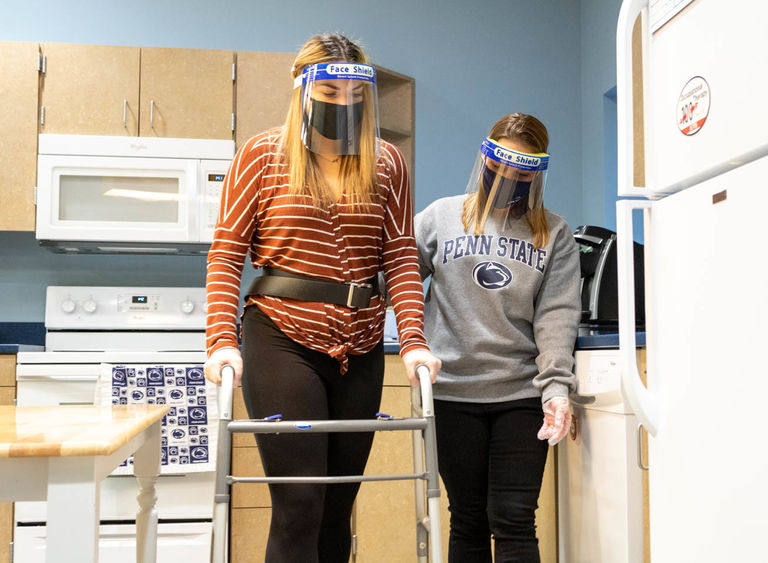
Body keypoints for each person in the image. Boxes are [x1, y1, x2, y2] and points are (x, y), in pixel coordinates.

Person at [203, 33, 441, 563]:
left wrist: (414, 341)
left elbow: (400, 255)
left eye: (355, 94)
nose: (343, 103)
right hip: (281, 335)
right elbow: (226, 253)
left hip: (360, 344)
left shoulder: (386, 163)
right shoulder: (262, 156)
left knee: (338, 507)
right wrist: (220, 340)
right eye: (329, 91)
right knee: (300, 505)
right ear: (302, 90)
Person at [415, 113, 579, 562]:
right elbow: (400, 280)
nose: (508, 180)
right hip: (452, 393)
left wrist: (557, 389)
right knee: (467, 517)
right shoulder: (440, 218)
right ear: (484, 161)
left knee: (514, 519)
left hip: (522, 393)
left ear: (537, 175)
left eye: (522, 173)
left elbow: (557, 315)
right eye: (499, 169)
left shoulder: (554, 234)